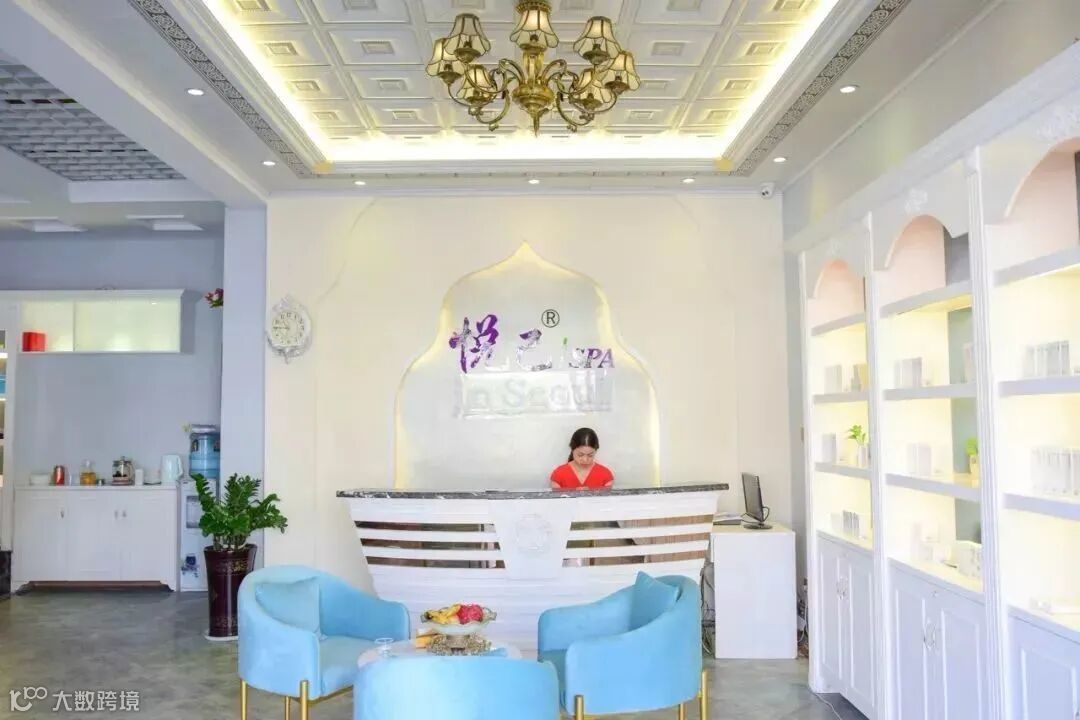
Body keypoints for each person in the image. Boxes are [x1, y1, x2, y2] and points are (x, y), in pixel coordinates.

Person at [550, 427, 614, 490]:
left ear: (596, 451)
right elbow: (555, 497)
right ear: (572, 449)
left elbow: (609, 497)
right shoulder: (558, 474)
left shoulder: (605, 475)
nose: (585, 460)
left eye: (590, 455)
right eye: (580, 455)